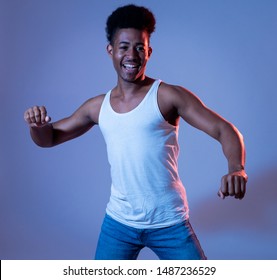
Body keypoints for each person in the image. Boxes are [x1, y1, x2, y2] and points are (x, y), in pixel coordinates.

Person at [24, 4, 248, 260]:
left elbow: (224, 129)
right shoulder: (97, 107)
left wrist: (236, 168)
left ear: (149, 52)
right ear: (110, 51)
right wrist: (37, 127)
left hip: (169, 222)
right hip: (119, 225)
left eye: (140, 47)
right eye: (124, 47)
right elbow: (49, 138)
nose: (132, 54)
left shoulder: (167, 96)